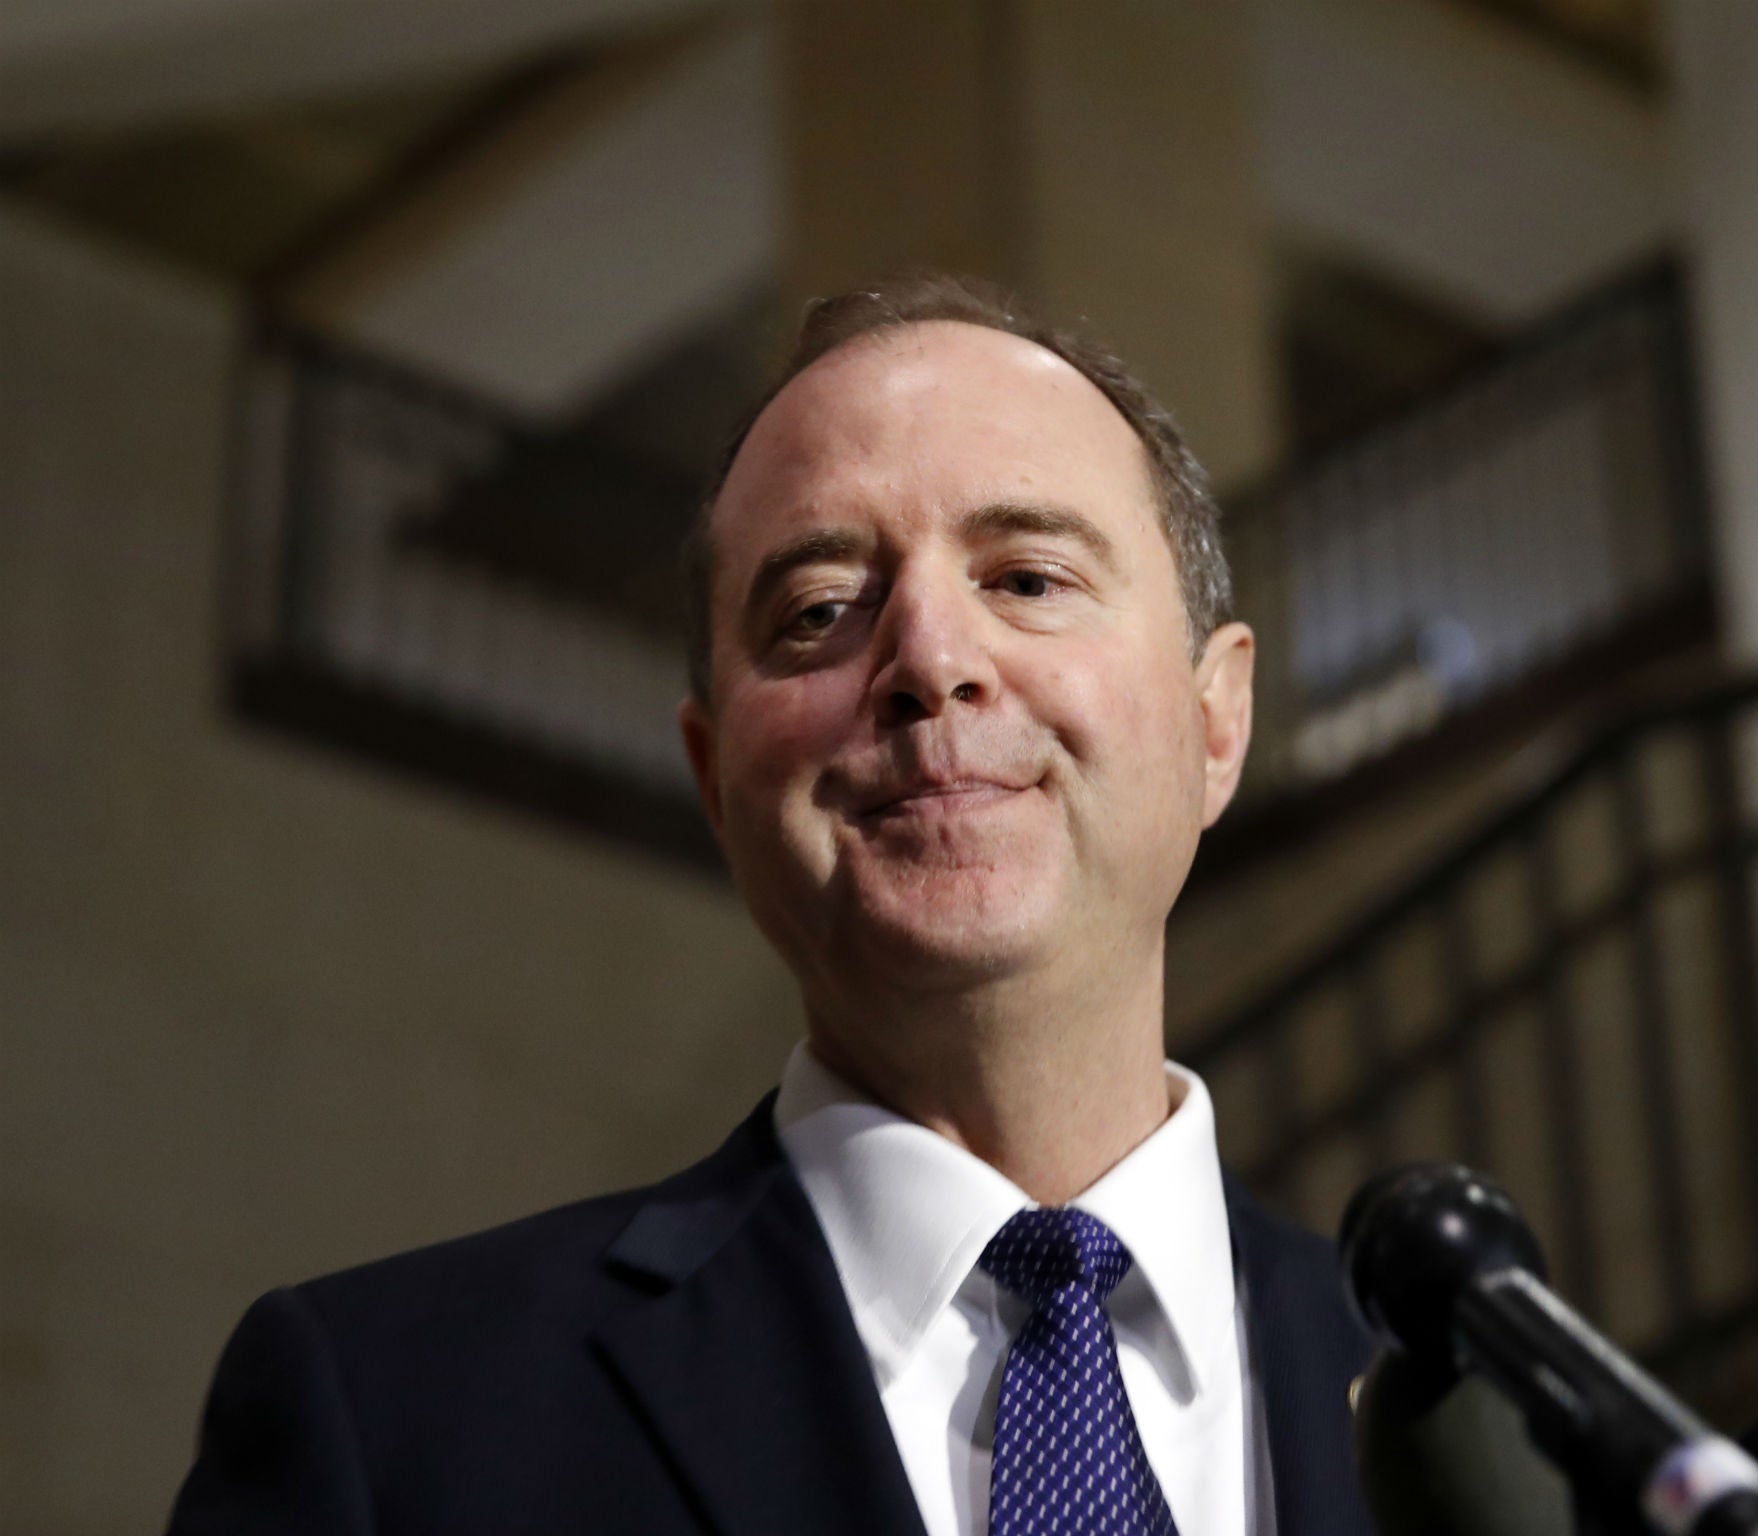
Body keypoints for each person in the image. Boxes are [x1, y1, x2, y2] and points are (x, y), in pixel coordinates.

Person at [166, 275, 1374, 1535]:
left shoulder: (1483, 1413)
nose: (931, 661)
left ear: (1215, 719)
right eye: (817, 612)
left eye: (1025, 577)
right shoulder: (393, 1417)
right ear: (713, 779)